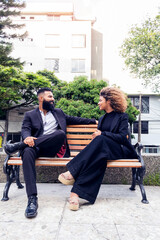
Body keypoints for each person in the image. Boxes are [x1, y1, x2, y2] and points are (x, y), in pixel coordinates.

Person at [4, 87, 96, 218]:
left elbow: (77, 120)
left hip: (52, 149)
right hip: (35, 149)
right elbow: (25, 129)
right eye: (50, 97)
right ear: (41, 98)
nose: (53, 99)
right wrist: (27, 138)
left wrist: (95, 121)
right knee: (27, 152)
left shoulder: (58, 113)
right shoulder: (30, 115)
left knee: (60, 133)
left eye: (53, 97)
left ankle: (19, 146)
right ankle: (32, 199)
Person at [58, 86, 138, 211]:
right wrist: (99, 136)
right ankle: (75, 194)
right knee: (98, 159)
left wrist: (102, 134)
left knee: (100, 141)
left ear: (109, 101)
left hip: (120, 150)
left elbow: (123, 138)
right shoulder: (102, 119)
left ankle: (72, 172)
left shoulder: (122, 116)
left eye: (101, 100)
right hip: (105, 151)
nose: (98, 102)